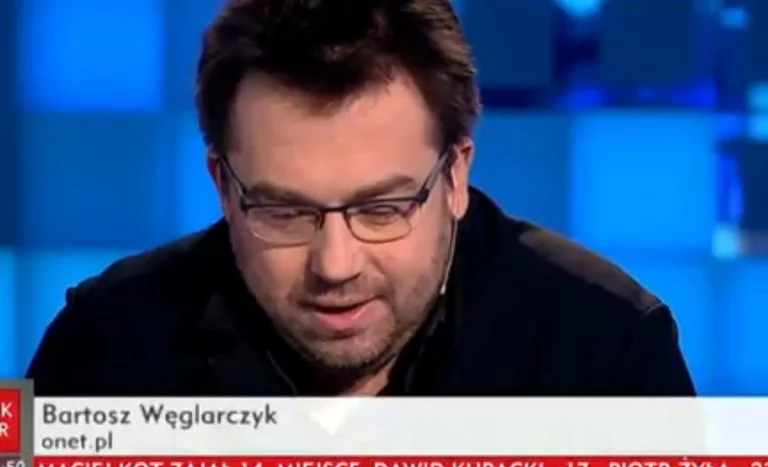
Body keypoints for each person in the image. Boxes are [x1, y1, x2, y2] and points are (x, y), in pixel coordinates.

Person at [26, 0, 695, 396]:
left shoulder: (608, 348)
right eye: (285, 212)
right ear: (223, 186)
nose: (336, 266)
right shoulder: (100, 342)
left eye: (382, 209)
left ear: (456, 176)